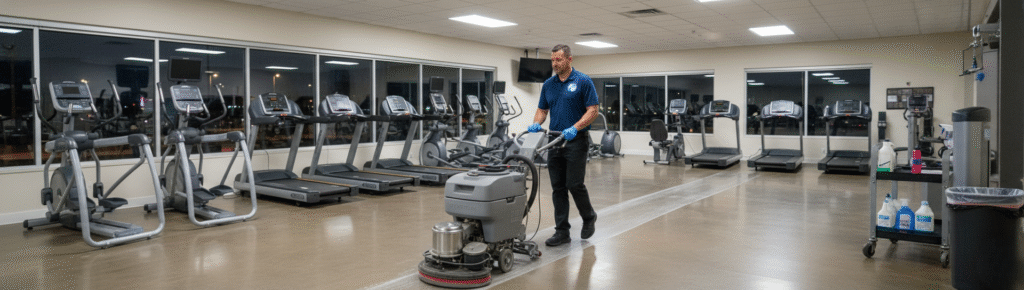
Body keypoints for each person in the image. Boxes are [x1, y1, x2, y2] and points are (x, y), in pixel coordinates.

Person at [528, 44, 599, 247]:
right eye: (552, 60)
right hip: (555, 139)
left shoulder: (583, 81)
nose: (554, 63)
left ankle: (589, 216)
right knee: (558, 187)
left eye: (558, 60)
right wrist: (537, 123)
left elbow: (592, 110)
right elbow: (542, 109)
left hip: (576, 139)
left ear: (569, 59)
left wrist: (576, 127)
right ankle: (562, 232)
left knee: (574, 183)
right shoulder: (549, 84)